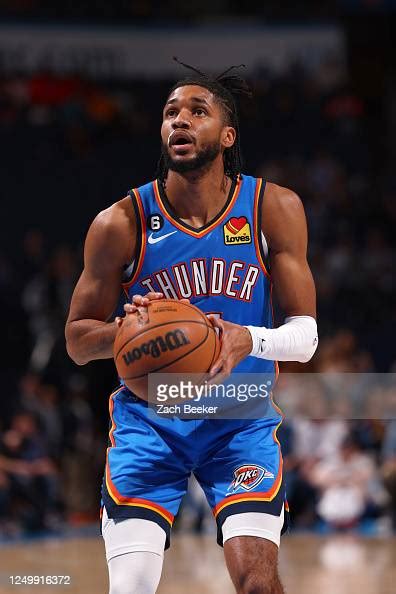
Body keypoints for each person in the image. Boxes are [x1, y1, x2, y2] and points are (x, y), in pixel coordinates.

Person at [65, 62, 318, 594]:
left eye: (196, 111)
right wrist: (130, 329)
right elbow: (76, 340)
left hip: (239, 415)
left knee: (257, 584)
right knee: (130, 588)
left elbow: (307, 336)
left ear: (227, 136)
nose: (179, 120)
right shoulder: (120, 222)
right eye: (170, 112)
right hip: (151, 418)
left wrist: (251, 338)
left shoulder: (273, 207)